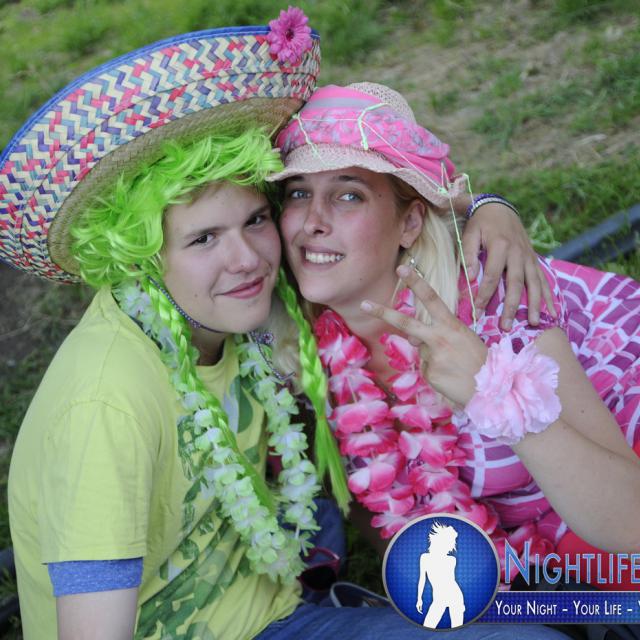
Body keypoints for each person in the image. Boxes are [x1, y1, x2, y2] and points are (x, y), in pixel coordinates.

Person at [1, 11, 570, 640]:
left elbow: (381, 196)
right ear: (142, 257)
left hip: (272, 590)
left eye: (254, 220)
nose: (248, 260)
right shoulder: (103, 407)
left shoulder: (245, 303)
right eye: (203, 239)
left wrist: (487, 205)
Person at [269, 81, 640, 589]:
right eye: (298, 193)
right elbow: (379, 512)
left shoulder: (493, 299)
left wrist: (493, 389)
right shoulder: (293, 351)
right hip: (521, 558)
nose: (312, 222)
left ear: (409, 223)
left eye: (348, 194)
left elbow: (629, 522)